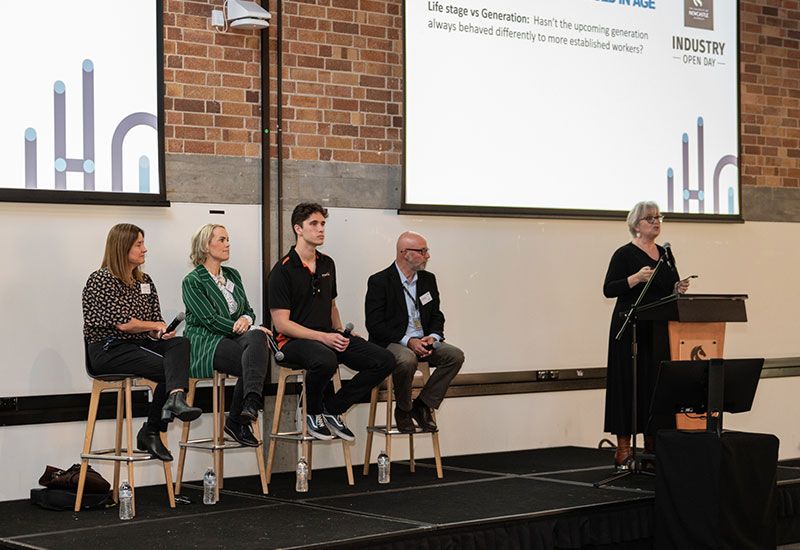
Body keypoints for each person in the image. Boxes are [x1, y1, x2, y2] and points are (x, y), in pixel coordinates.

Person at [268, 202, 395, 441]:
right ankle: (312, 411)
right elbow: (282, 325)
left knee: (384, 359)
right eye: (313, 224)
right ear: (298, 228)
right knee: (326, 359)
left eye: (323, 224)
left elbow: (331, 305)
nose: (320, 229)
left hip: (326, 336)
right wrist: (323, 337)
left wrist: (338, 331)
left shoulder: (327, 263)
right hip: (293, 341)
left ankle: (333, 408)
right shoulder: (282, 270)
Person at [82, 224, 202, 462]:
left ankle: (175, 399)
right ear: (122, 246)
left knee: (179, 345)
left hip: (138, 345)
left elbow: (153, 323)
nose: (144, 249)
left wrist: (160, 333)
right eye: (138, 244)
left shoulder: (144, 281)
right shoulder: (100, 279)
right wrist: (153, 326)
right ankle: (153, 428)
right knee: (170, 368)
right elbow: (124, 324)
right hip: (109, 349)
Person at [603, 201, 690, 470]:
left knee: (655, 387)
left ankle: (653, 449)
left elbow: (666, 288)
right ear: (637, 225)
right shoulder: (624, 254)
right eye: (650, 218)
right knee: (628, 386)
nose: (656, 221)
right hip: (630, 329)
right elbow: (609, 289)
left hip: (658, 330)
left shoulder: (665, 254)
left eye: (658, 217)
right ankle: (624, 450)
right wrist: (634, 279)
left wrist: (677, 287)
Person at [365, 231, 464, 433]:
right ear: (404, 253)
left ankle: (423, 404)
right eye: (422, 251)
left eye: (426, 251)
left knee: (455, 355)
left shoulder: (428, 280)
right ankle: (403, 409)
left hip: (423, 340)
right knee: (407, 359)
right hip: (392, 342)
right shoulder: (380, 281)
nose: (427, 256)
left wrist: (433, 336)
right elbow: (375, 325)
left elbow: (437, 314)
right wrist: (408, 341)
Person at [182, 224, 272, 447]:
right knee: (252, 357)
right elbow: (210, 320)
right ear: (206, 245)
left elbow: (248, 310)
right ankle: (237, 418)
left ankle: (248, 404)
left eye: (228, 239)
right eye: (221, 239)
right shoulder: (193, 281)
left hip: (233, 338)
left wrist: (248, 321)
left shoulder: (233, 274)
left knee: (259, 338)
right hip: (206, 340)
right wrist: (243, 326)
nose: (227, 244)